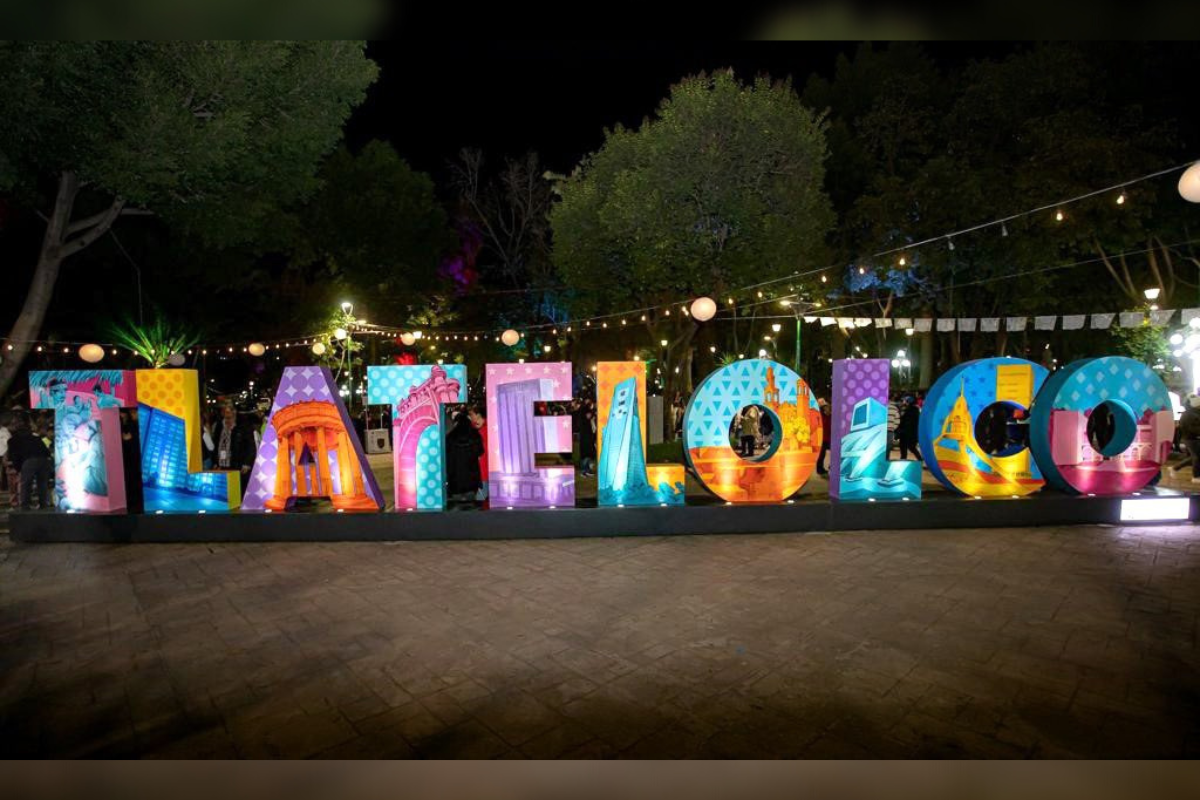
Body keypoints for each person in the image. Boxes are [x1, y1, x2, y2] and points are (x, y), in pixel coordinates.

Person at [212, 404, 257, 496]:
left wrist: (247, 462)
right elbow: (216, 444)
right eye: (224, 411)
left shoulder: (244, 426)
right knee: (226, 493)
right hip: (222, 465)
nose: (226, 414)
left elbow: (251, 445)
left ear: (234, 412)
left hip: (238, 464)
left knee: (239, 492)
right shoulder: (219, 425)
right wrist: (215, 462)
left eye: (228, 412)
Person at [7, 418, 53, 510]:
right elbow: (47, 452)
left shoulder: (12, 440)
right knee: (42, 484)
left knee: (26, 484)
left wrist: (19, 469)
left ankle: (25, 506)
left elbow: (15, 456)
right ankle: (43, 505)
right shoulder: (36, 438)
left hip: (29, 460)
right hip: (44, 460)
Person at [445, 410, 484, 502]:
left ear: (457, 422)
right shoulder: (475, 434)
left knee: (456, 510)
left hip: (455, 480)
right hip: (472, 479)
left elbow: (447, 457)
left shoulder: (450, 437)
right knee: (472, 508)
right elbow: (480, 451)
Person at [1169, 395, 1200, 483]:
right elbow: (1191, 428)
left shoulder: (1193, 413)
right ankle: (1196, 477)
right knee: (1196, 457)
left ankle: (1175, 468)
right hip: (1191, 439)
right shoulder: (1189, 414)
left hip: (1192, 438)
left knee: (1194, 457)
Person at [468, 405, 489, 503]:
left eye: (471, 415)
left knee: (480, 500)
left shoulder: (483, 432)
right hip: (483, 472)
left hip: (484, 472)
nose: (471, 418)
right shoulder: (481, 429)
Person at [897, 396, 922, 461]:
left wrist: (900, 431)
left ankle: (903, 460)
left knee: (904, 447)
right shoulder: (915, 410)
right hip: (913, 433)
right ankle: (920, 460)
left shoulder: (910, 410)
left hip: (907, 433)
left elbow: (905, 422)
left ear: (908, 402)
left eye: (905, 401)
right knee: (911, 447)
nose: (903, 402)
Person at [816, 397, 831, 476]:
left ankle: (828, 467)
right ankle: (820, 469)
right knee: (821, 454)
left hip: (828, 437)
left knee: (823, 454)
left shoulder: (828, 416)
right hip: (823, 438)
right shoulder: (820, 416)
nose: (826, 408)